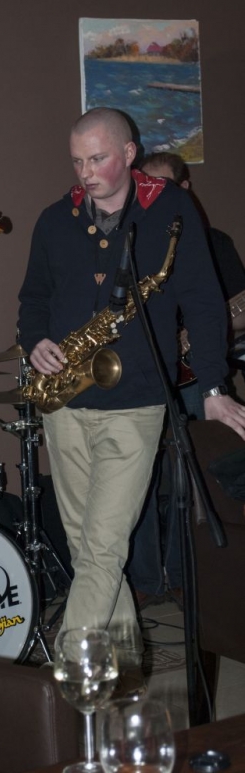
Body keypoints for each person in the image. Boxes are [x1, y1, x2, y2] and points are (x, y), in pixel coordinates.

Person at [17, 108, 245, 685]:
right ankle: (120, 672)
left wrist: (214, 387)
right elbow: (33, 298)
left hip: (136, 401)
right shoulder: (56, 218)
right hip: (66, 404)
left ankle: (71, 678)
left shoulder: (170, 211)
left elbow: (204, 301)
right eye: (77, 160)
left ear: (129, 153)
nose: (85, 172)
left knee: (102, 547)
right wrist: (35, 340)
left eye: (97, 158)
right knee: (86, 545)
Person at [127, 151, 245, 609]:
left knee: (191, 478)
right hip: (142, 374)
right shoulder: (131, 240)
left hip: (195, 376)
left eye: (164, 187)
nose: (154, 196)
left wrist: (196, 334)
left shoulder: (214, 242)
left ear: (185, 189)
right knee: (137, 478)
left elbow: (239, 310)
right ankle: (144, 579)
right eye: (146, 187)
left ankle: (182, 576)